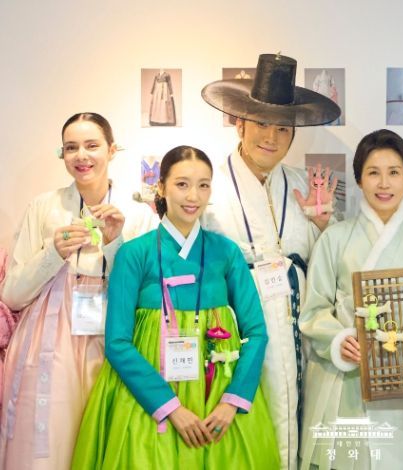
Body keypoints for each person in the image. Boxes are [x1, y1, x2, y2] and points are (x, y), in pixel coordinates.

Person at [71, 146, 279, 468]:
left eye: (203, 185)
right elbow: (117, 343)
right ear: (161, 187)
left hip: (218, 395)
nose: (193, 196)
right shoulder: (134, 253)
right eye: (182, 184)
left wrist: (232, 401)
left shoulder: (227, 252)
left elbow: (256, 332)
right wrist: (170, 407)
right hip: (148, 398)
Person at [200, 52, 341, 469]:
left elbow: (330, 268)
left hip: (299, 332)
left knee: (299, 425)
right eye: (262, 123)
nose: (272, 137)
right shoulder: (209, 187)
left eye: (283, 128)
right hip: (235, 333)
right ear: (240, 123)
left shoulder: (303, 185)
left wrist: (323, 224)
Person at [298, 129, 403, 469]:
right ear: (359, 179)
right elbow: (314, 310)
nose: (384, 184)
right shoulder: (335, 238)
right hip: (349, 379)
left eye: (394, 172)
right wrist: (340, 340)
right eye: (373, 172)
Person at [0, 112, 155, 469]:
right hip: (48, 344)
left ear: (112, 149)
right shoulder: (43, 206)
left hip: (117, 337)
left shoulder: (139, 215)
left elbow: (148, 294)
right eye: (71, 148)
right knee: (52, 446)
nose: (81, 156)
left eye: (91, 145)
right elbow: (12, 295)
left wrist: (115, 245)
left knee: (108, 440)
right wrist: (52, 254)